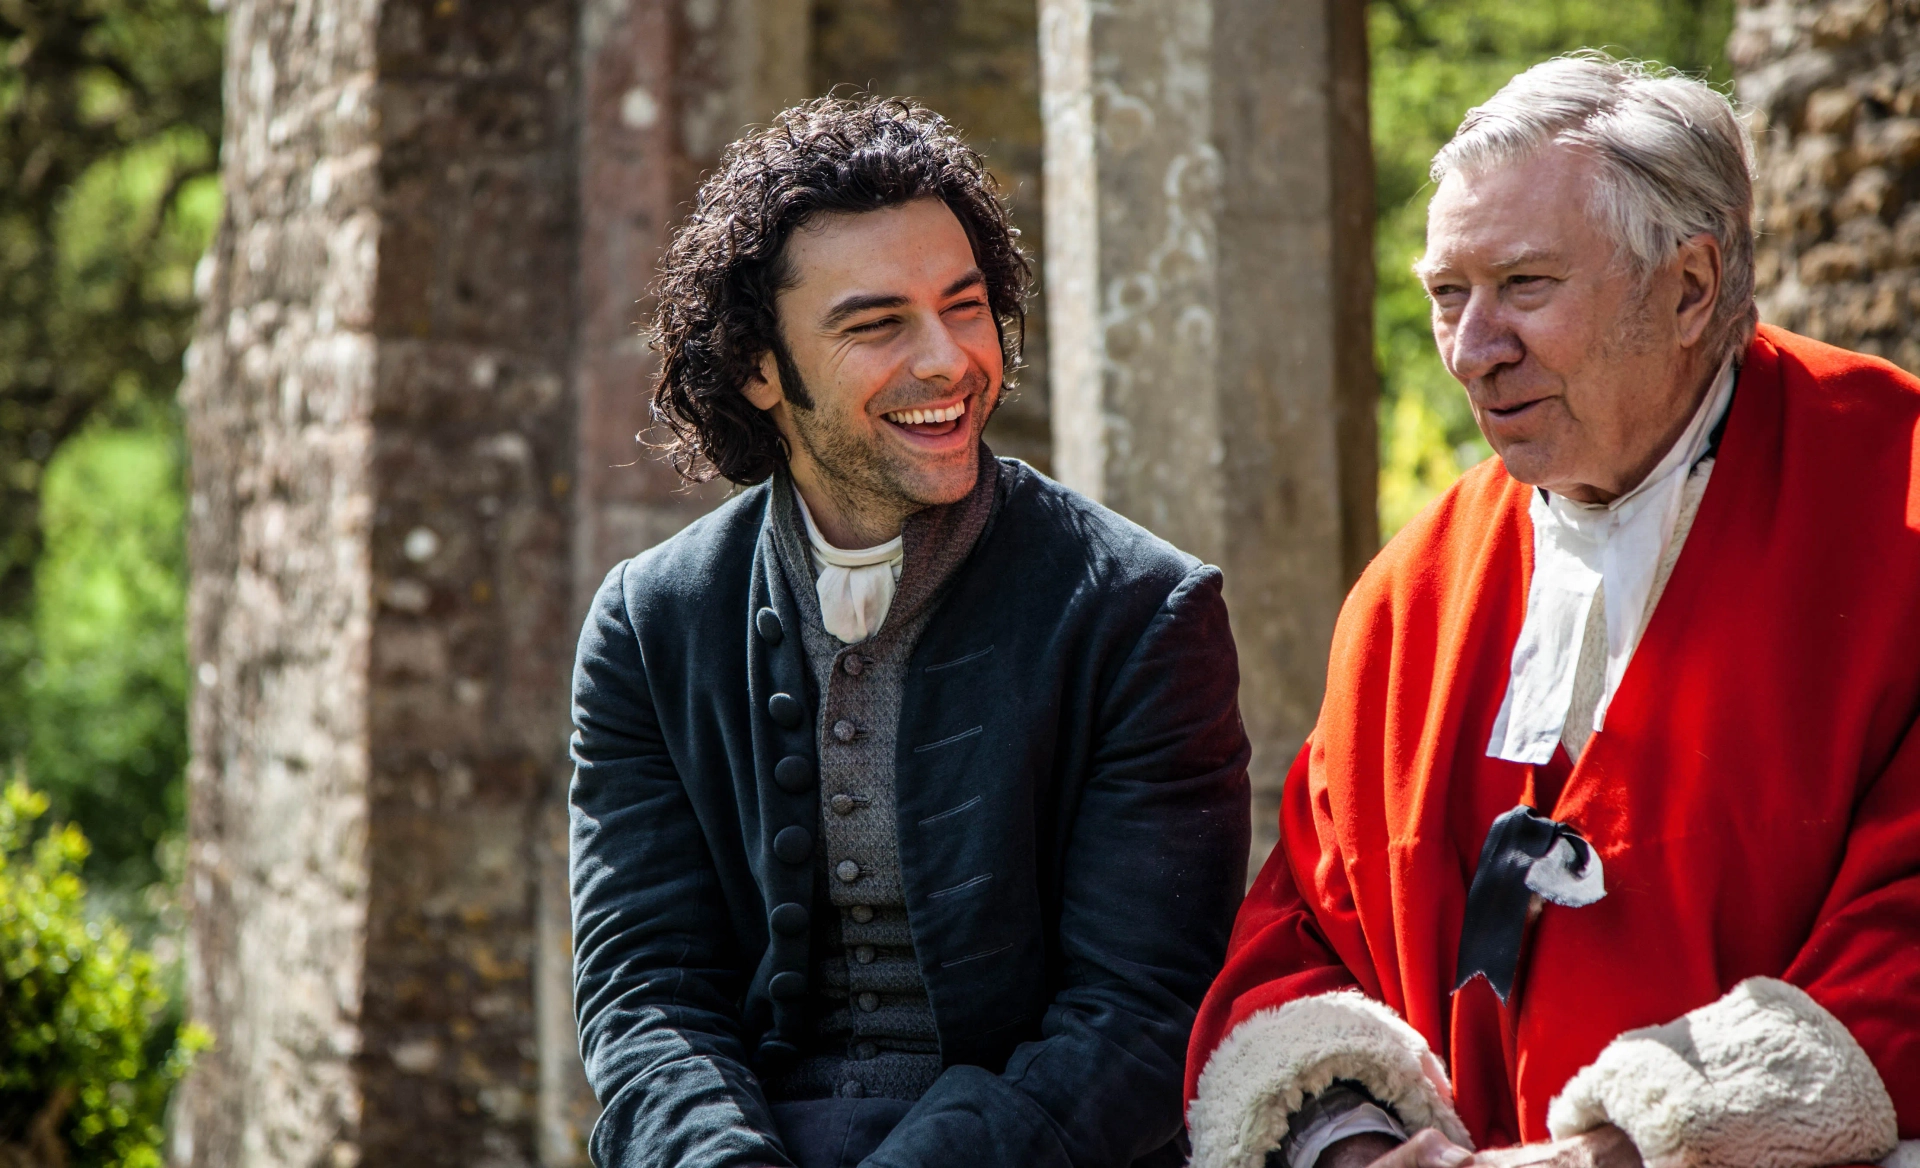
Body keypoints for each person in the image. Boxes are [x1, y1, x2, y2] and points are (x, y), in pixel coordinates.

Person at [1183, 53, 1920, 1168]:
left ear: (1690, 286)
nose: (1475, 351)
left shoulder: (1898, 505)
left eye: (1525, 286)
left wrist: (1621, 1153)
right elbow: (1300, 941)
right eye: (1447, 295)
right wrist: (1348, 1146)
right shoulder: (1406, 599)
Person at [567, 96, 1251, 1168]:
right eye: (877, 323)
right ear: (759, 369)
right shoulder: (652, 625)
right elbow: (646, 995)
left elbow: (1141, 1011)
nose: (947, 360)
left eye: (964, 306)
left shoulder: (1138, 612)